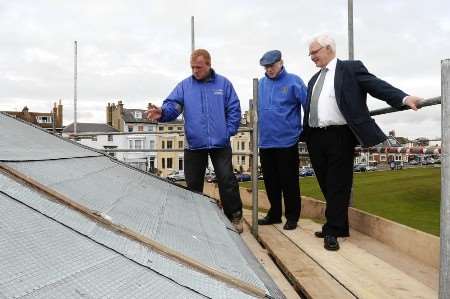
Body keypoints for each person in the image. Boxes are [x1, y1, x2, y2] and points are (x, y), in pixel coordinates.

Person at [301, 34, 422, 250]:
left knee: (339, 184)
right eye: (310, 53)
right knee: (326, 183)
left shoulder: (350, 68)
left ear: (329, 48)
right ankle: (340, 226)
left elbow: (376, 85)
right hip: (316, 137)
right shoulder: (314, 79)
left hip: (340, 135)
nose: (311, 57)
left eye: (314, 52)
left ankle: (333, 230)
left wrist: (404, 98)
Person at [147, 49, 244, 233]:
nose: (195, 71)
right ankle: (195, 222)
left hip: (220, 143)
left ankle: (235, 216)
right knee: (193, 184)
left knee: (226, 179)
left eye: (198, 67)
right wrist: (162, 113)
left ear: (208, 64)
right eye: (192, 67)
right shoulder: (184, 86)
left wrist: (227, 131)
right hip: (194, 144)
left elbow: (234, 109)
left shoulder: (224, 84)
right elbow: (173, 105)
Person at [257, 50, 307, 230]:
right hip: (265, 141)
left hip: (287, 141)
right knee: (270, 181)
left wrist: (304, 130)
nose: (269, 69)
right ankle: (275, 213)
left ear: (281, 62)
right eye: (266, 66)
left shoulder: (294, 81)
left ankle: (292, 216)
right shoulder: (260, 84)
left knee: (289, 181)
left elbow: (308, 106)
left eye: (272, 65)